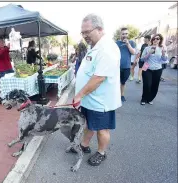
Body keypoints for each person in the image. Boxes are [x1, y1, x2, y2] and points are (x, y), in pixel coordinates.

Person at [73, 14, 122, 166]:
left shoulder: (107, 48)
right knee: (89, 124)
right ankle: (84, 145)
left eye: (87, 32)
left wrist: (79, 94)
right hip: (89, 98)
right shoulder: (94, 45)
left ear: (100, 29)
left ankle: (101, 152)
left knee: (102, 129)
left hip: (101, 100)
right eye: (83, 32)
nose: (84, 36)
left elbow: (98, 78)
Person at [140, 34, 168, 105]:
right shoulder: (147, 48)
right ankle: (144, 98)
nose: (155, 40)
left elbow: (164, 60)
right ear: (152, 40)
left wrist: (163, 54)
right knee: (147, 84)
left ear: (160, 40)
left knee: (155, 85)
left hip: (158, 69)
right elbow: (142, 59)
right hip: (147, 68)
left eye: (157, 39)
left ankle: (150, 98)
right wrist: (149, 53)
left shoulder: (162, 49)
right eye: (154, 38)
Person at [116, 28, 136, 102]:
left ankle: (122, 95)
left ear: (128, 34)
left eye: (126, 33)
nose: (124, 35)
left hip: (126, 66)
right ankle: (116, 95)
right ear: (120, 34)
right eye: (123, 33)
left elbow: (133, 52)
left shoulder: (131, 42)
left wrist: (128, 44)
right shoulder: (116, 43)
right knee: (116, 81)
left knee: (123, 82)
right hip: (117, 66)